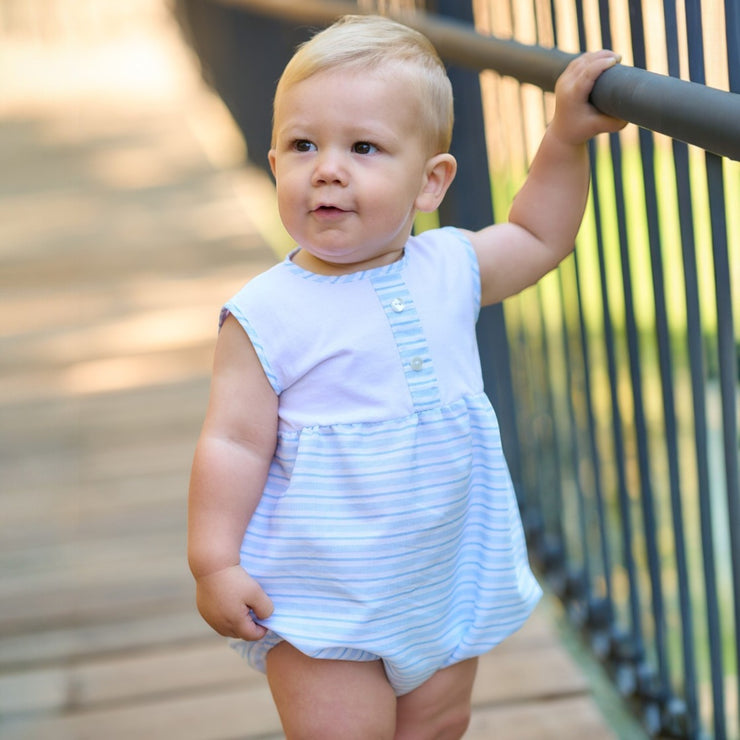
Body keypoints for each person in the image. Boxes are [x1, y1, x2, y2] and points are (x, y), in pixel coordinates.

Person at [188, 13, 626, 739]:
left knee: (437, 727)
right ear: (275, 167)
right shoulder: (265, 312)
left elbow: (539, 237)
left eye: (363, 147)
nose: (327, 168)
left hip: (443, 576)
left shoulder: (449, 267)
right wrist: (213, 563)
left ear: (431, 183)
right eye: (303, 146)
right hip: (325, 592)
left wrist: (564, 139)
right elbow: (232, 443)